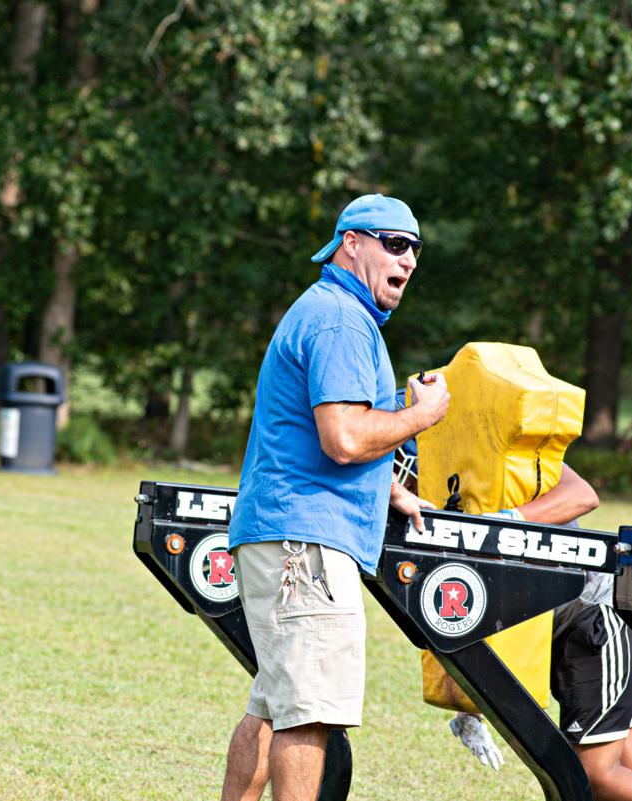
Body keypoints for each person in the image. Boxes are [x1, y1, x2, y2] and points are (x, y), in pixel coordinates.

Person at [220, 194, 450, 801]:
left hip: (286, 531)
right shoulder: (341, 320)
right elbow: (344, 437)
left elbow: (319, 435)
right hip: (307, 541)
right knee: (309, 714)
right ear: (351, 243)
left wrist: (390, 487)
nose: (408, 260)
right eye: (395, 244)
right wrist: (418, 415)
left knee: (272, 707)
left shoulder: (330, 312)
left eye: (416, 250)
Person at [445, 463, 632, 801]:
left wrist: (508, 522)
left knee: (596, 775)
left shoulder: (522, 448)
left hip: (595, 620)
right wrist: (467, 705)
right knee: (627, 767)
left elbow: (582, 495)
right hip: (579, 627)